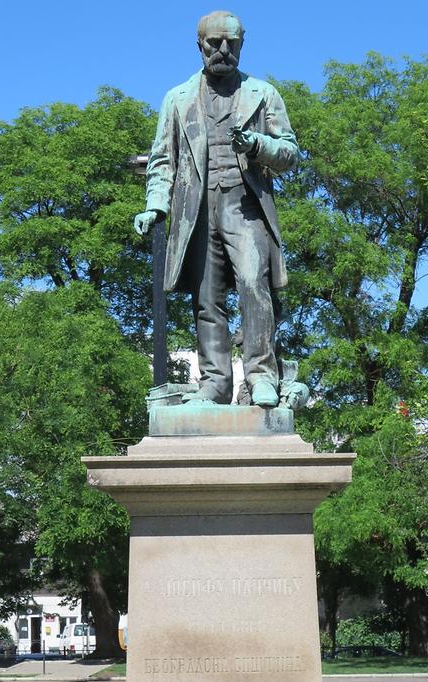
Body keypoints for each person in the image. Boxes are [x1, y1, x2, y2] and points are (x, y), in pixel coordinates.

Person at [134, 10, 299, 408]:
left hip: (246, 207)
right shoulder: (177, 99)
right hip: (197, 211)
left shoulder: (263, 93)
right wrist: (155, 206)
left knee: (252, 285)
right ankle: (215, 384)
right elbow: (162, 161)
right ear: (200, 45)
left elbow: (291, 152)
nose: (223, 50)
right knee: (207, 299)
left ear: (242, 43)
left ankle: (261, 375)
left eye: (232, 43)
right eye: (214, 43)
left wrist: (257, 144)